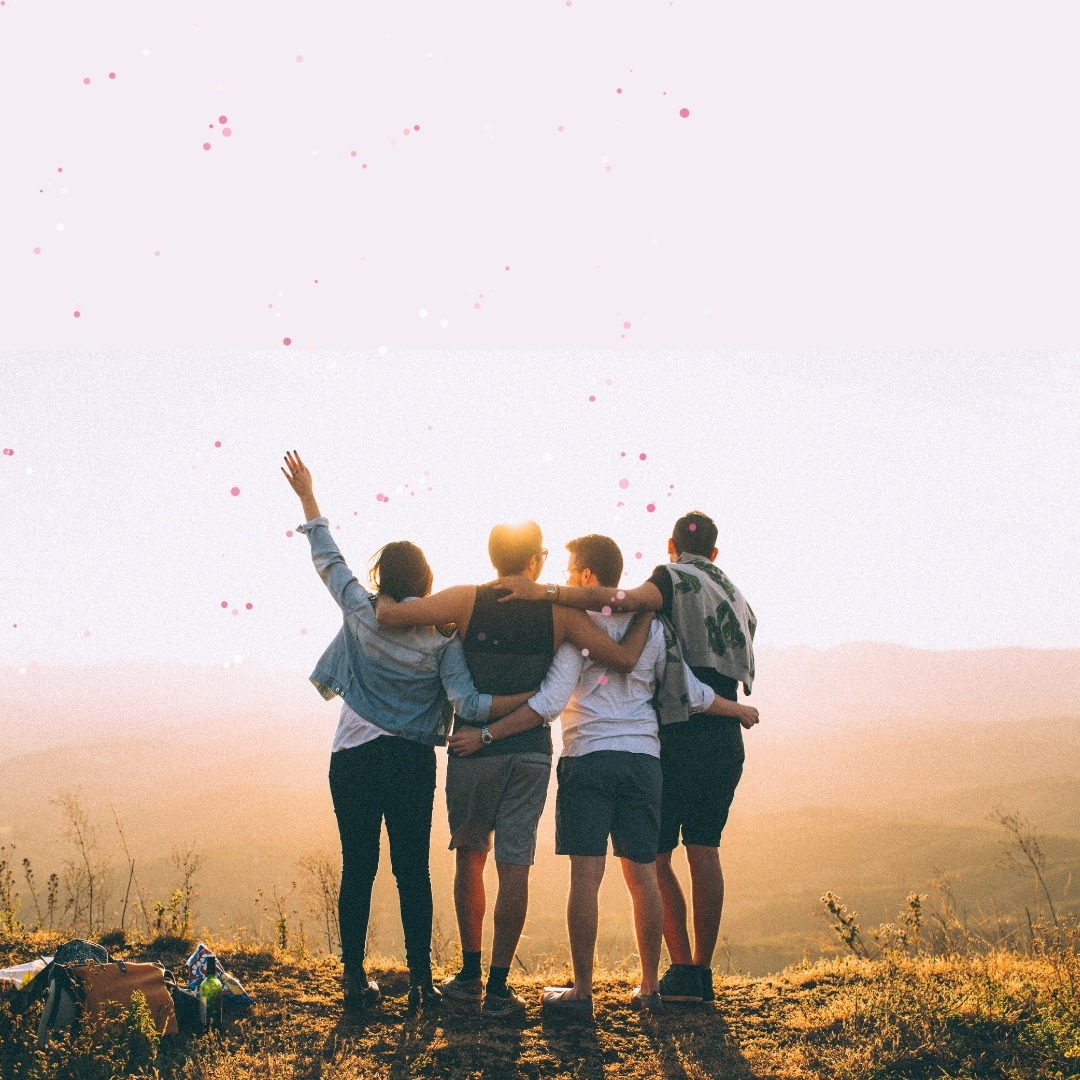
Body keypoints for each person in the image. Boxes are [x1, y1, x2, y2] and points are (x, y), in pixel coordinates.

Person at [450, 534, 759, 1016]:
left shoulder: (576, 630)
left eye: (573, 571)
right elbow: (689, 691)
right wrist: (735, 709)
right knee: (643, 878)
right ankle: (650, 988)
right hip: (644, 762)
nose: (568, 578)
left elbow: (550, 703)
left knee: (585, 879)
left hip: (589, 759)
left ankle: (582, 993)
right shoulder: (652, 627)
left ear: (589, 577)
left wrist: (487, 732)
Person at [281, 452, 536, 1014]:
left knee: (358, 866)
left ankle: (354, 979)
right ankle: (421, 982)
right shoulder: (441, 638)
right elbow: (467, 703)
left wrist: (308, 497)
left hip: (351, 754)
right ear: (426, 581)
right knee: (411, 870)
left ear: (381, 578)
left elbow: (328, 560)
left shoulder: (361, 610)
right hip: (411, 761)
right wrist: (534, 700)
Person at [374, 521, 653, 1017]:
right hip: (530, 752)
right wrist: (649, 609)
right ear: (534, 563)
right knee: (514, 865)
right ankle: (500, 987)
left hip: (471, 750)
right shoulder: (560, 613)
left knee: (470, 857)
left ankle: (469, 976)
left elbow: (396, 615)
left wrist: (380, 598)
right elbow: (622, 659)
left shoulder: (464, 600)